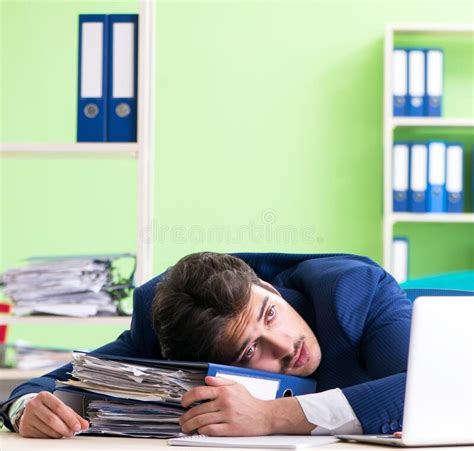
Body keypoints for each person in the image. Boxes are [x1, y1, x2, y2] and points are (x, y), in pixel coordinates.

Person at [0, 252, 412, 438]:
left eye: (269, 313)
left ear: (268, 287)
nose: (284, 345)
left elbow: (425, 389)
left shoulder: (354, 292)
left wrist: (272, 416)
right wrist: (26, 409)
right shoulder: (161, 333)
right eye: (251, 351)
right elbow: (44, 386)